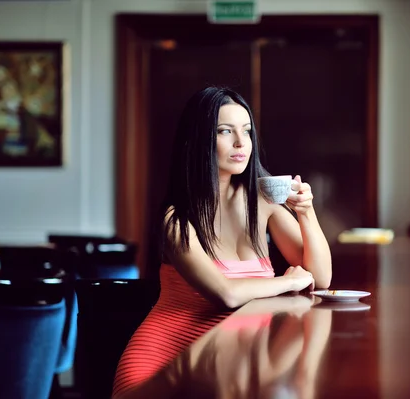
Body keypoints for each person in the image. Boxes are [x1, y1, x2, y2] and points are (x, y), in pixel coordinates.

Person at [112, 86, 332, 398]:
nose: (241, 143)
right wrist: (287, 282)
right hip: (164, 358)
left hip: (229, 355)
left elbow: (320, 278)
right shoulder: (176, 219)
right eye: (225, 131)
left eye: (247, 131)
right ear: (199, 141)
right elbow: (225, 294)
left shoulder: (263, 201)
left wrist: (307, 213)